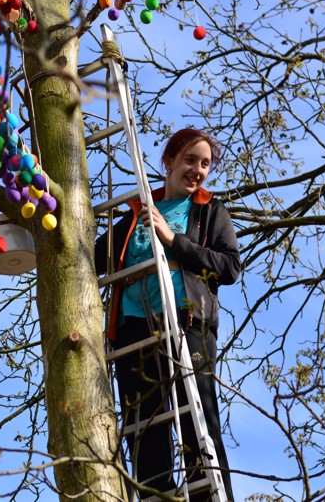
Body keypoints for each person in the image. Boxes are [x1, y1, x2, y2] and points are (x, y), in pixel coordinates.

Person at [94, 128, 240, 501]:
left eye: (205, 164)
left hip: (186, 324)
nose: (197, 170)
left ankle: (209, 497)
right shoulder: (138, 213)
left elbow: (228, 267)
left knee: (198, 422)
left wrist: (173, 240)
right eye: (190, 160)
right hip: (134, 331)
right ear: (170, 161)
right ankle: (156, 495)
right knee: (145, 427)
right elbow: (92, 257)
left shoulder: (208, 211)